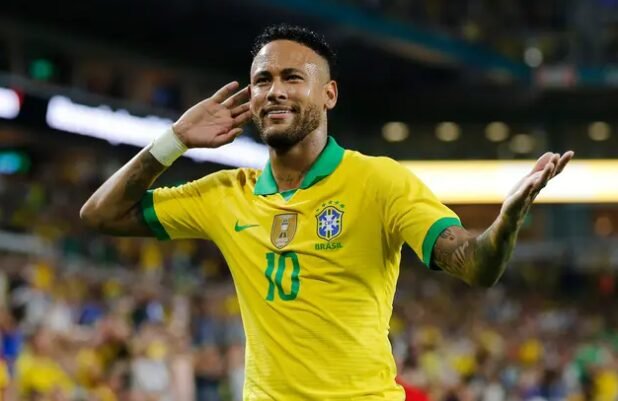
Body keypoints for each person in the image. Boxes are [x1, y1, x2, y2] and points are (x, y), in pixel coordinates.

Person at [80, 24, 574, 401]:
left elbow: (474, 264)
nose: (274, 90)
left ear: (328, 94)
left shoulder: (379, 181)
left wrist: (506, 223)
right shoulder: (226, 193)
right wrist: (174, 141)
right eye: (262, 80)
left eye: (292, 77)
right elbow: (101, 215)